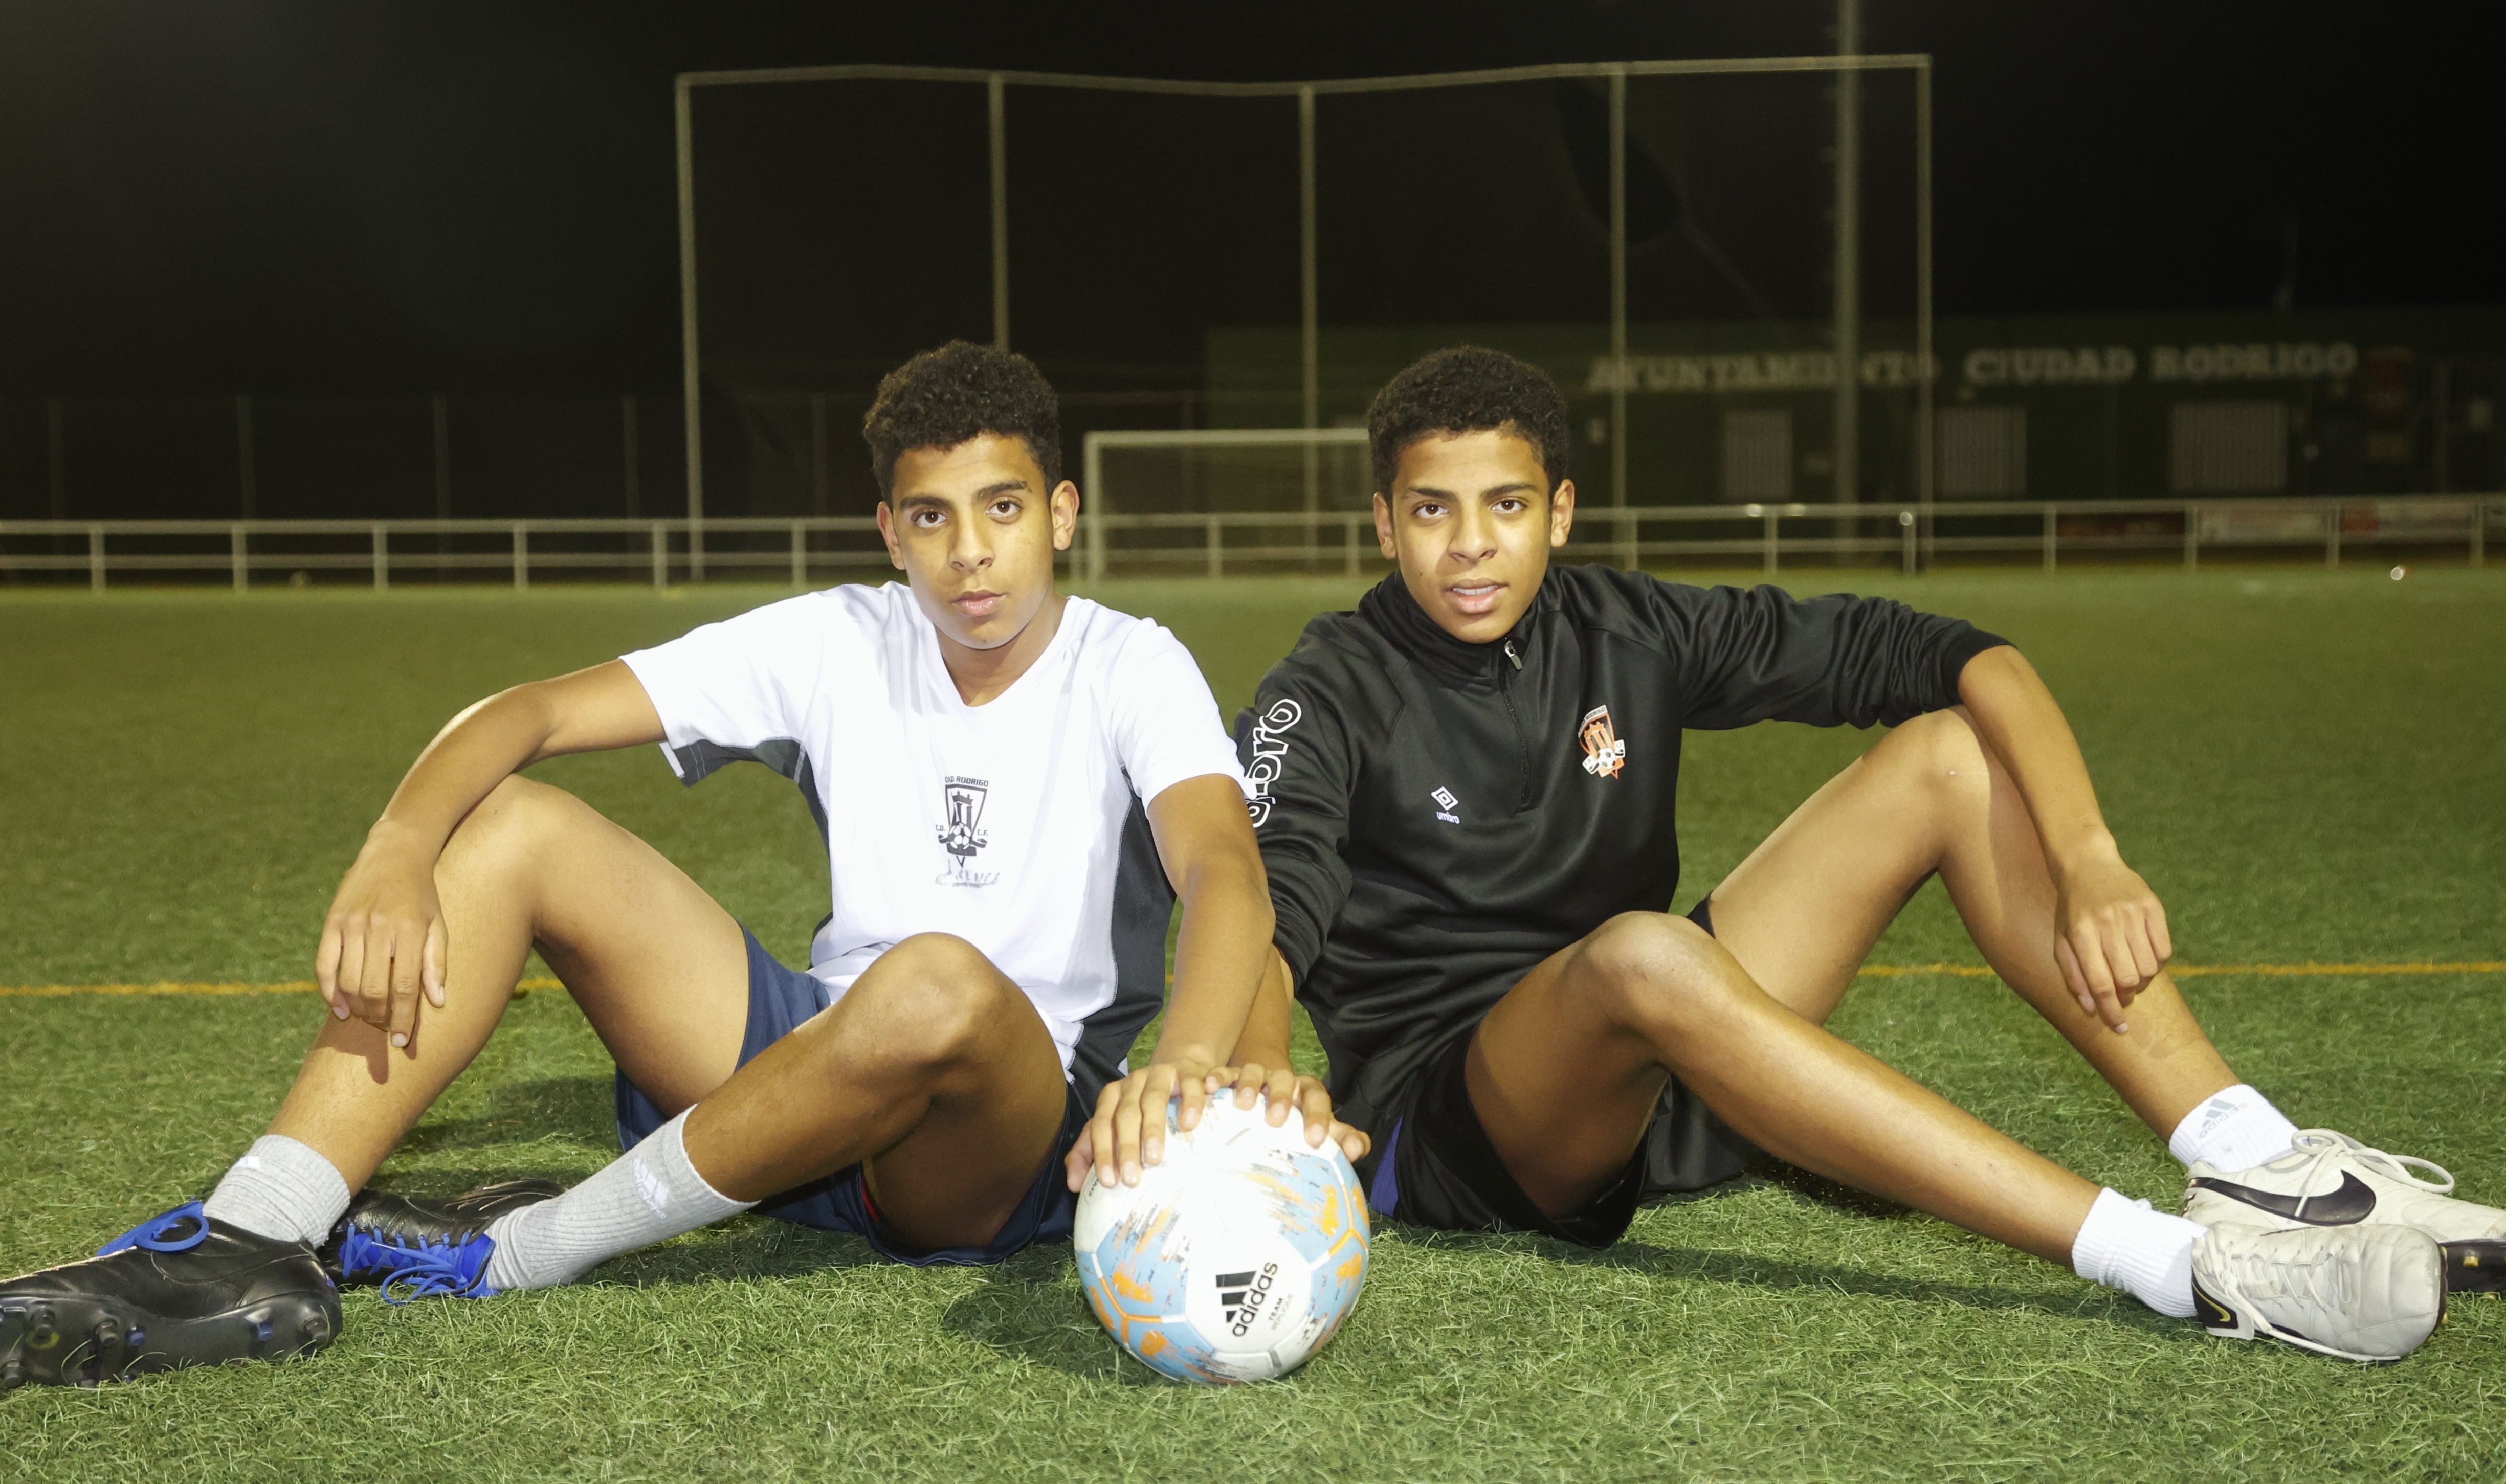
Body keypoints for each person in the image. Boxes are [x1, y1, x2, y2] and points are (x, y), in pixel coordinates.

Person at [0, 341, 1358, 1391]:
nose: (970, 551)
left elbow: (1224, 868)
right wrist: (398, 844)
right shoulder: (840, 636)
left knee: (937, 980)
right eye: (931, 517)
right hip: (816, 1051)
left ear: (1060, 510)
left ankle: (529, 1246)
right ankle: (253, 1234)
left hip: (1000, 1129)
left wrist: (1184, 1060)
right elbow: (525, 712)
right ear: (889, 532)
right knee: (519, 823)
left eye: (1001, 506)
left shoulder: (1132, 662)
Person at [1217, 345, 2501, 1363]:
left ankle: (2267, 1169)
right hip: (1473, 1128)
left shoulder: (1628, 626)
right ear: (1383, 524)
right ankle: (2185, 1265)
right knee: (1645, 957)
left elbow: (1955, 653)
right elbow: (1273, 917)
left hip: (1666, 1073)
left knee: (1944, 754)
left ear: (1558, 510)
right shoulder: (1324, 690)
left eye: (1504, 505)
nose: (1470, 543)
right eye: (1431, 511)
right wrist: (1265, 1067)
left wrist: (2088, 850)